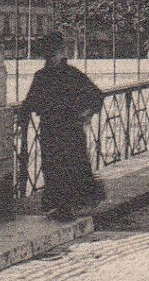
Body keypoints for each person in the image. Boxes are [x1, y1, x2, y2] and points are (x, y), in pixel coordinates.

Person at [20, 31, 105, 221]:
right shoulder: (47, 75)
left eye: (51, 53)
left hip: (66, 128)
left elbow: (96, 96)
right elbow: (29, 103)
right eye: (47, 54)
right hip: (55, 128)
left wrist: (86, 114)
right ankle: (63, 206)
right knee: (57, 165)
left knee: (65, 165)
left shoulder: (66, 75)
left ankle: (64, 206)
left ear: (59, 52)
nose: (49, 58)